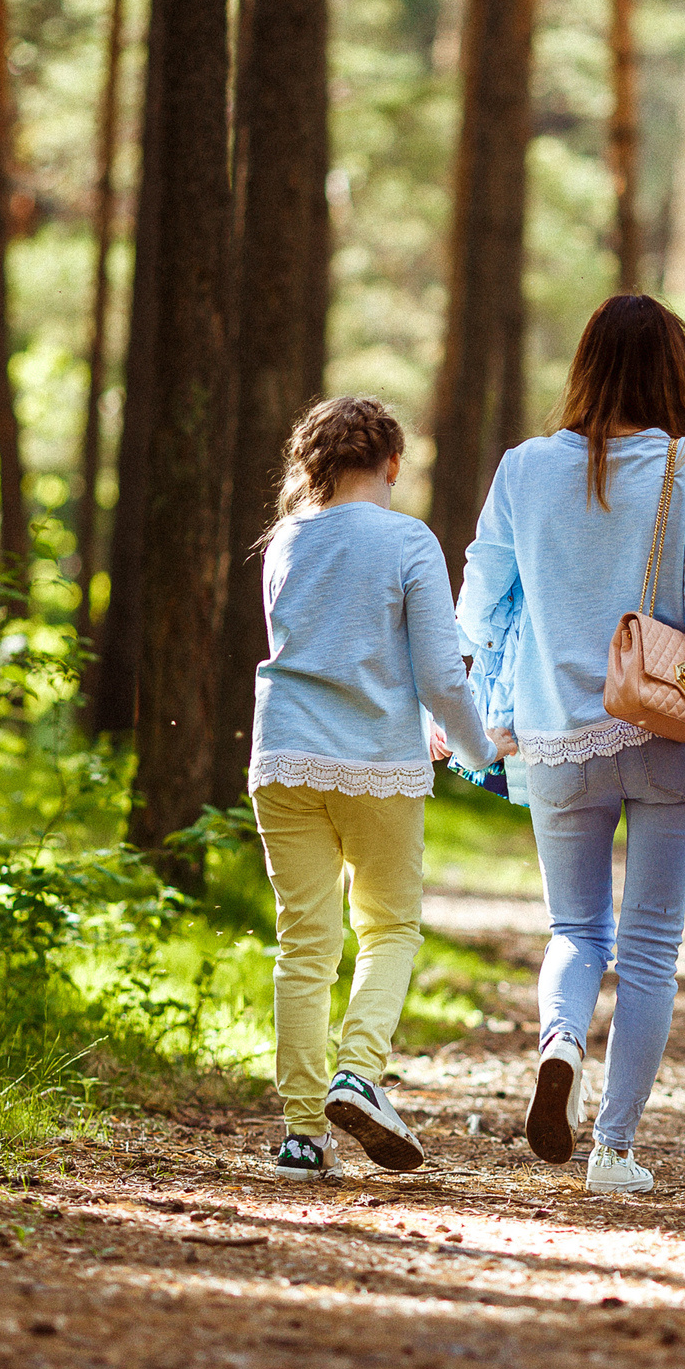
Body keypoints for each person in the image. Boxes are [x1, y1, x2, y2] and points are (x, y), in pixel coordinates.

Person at [457, 294, 685, 1195]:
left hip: (551, 739)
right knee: (652, 946)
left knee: (573, 927)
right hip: (664, 732)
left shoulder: (522, 469)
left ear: (584, 365)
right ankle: (614, 1151)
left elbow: (476, 601)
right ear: (678, 371)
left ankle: (559, 1044)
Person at [248, 396, 507, 1180]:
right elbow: (436, 670)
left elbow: (320, 654)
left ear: (312, 467)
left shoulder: (285, 539)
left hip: (283, 756)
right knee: (389, 926)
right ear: (393, 464)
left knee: (305, 941)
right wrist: (477, 748)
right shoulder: (407, 539)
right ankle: (358, 1071)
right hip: (375, 767)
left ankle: (301, 1135)